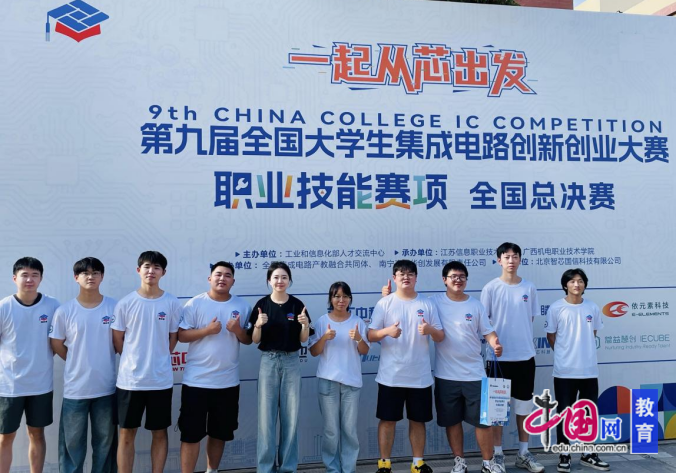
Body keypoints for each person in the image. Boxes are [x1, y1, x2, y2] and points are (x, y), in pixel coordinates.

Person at [369, 259, 444, 474]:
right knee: (387, 420)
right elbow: (371, 334)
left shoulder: (427, 304)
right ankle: (384, 464)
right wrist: (387, 332)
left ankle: (417, 463)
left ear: (416, 278)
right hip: (391, 375)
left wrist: (430, 330)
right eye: (401, 274)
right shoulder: (385, 303)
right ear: (394, 278)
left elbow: (440, 336)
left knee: (418, 420)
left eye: (410, 273)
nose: (406, 277)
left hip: (419, 376)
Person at [111, 251, 182, 473]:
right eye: (147, 266)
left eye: (156, 267)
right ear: (138, 270)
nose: (151, 271)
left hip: (160, 381)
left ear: (164, 272)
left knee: (159, 433)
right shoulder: (125, 303)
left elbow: (173, 338)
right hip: (130, 382)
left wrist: (158, 357)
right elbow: (118, 340)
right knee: (126, 433)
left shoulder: (171, 302)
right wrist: (133, 359)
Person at [177, 261, 252, 473]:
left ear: (233, 281)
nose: (222, 278)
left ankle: (212, 470)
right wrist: (206, 331)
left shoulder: (242, 306)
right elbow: (181, 335)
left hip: (227, 382)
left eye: (227, 275)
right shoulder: (195, 304)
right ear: (210, 278)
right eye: (218, 274)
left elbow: (248, 339)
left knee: (219, 433)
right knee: (191, 435)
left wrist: (237, 330)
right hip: (196, 382)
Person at [432, 261, 503, 473]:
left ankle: (487, 463)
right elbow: (409, 304)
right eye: (453, 276)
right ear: (444, 280)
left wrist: (495, 343)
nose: (458, 280)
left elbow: (488, 332)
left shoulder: (475, 305)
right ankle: (459, 462)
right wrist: (387, 296)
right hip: (446, 375)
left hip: (474, 374)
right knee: (452, 421)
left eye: (462, 276)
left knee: (483, 422)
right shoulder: (434, 303)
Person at [480, 243, 544, 473]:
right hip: (497, 360)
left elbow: (530, 319)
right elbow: (483, 324)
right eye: (506, 257)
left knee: (523, 408)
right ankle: (497, 455)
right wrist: (495, 344)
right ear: (499, 260)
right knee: (497, 411)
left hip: (525, 357)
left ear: (520, 260)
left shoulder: (529, 287)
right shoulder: (490, 288)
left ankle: (523, 453)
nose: (511, 260)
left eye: (515, 256)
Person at [50, 257, 118, 472]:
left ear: (102, 277)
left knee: (105, 444)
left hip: (106, 388)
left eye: (95, 272)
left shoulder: (114, 307)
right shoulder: (65, 311)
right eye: (85, 273)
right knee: (71, 445)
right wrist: (75, 360)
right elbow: (56, 343)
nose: (91, 277)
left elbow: (120, 341)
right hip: (76, 389)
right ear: (76, 277)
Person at [247, 261, 314, 473]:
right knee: (266, 419)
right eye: (276, 277)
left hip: (291, 361)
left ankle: (287, 468)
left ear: (289, 280)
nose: (280, 281)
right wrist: (258, 325)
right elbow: (254, 339)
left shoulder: (296, 305)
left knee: (290, 418)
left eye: (284, 277)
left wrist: (304, 325)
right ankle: (265, 468)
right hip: (268, 361)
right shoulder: (262, 305)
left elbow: (304, 339)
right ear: (269, 280)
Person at [545, 269, 610, 473]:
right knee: (564, 413)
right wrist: (565, 355)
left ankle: (588, 453)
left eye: (580, 281)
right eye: (572, 281)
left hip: (589, 371)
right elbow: (551, 336)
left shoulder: (592, 307)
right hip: (564, 372)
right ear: (565, 285)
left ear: (584, 285)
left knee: (588, 413)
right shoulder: (556, 308)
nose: (576, 284)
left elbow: (593, 333)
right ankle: (564, 454)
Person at [0, 257, 60, 473]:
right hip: (10, 386)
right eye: (24, 275)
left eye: (35, 275)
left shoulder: (53, 306)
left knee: (37, 433)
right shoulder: (4, 306)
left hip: (40, 385)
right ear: (14, 278)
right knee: (5, 436)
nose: (29, 279)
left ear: (41, 279)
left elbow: (59, 340)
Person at [309, 282, 369, 473]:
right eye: (336, 296)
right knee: (331, 431)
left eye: (345, 296)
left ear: (350, 299)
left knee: (349, 430)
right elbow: (313, 351)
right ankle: (332, 469)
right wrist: (324, 337)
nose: (341, 300)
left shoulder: (358, 322)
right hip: (328, 382)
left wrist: (359, 338)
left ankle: (348, 469)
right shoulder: (321, 322)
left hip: (351, 383)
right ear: (331, 299)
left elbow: (365, 350)